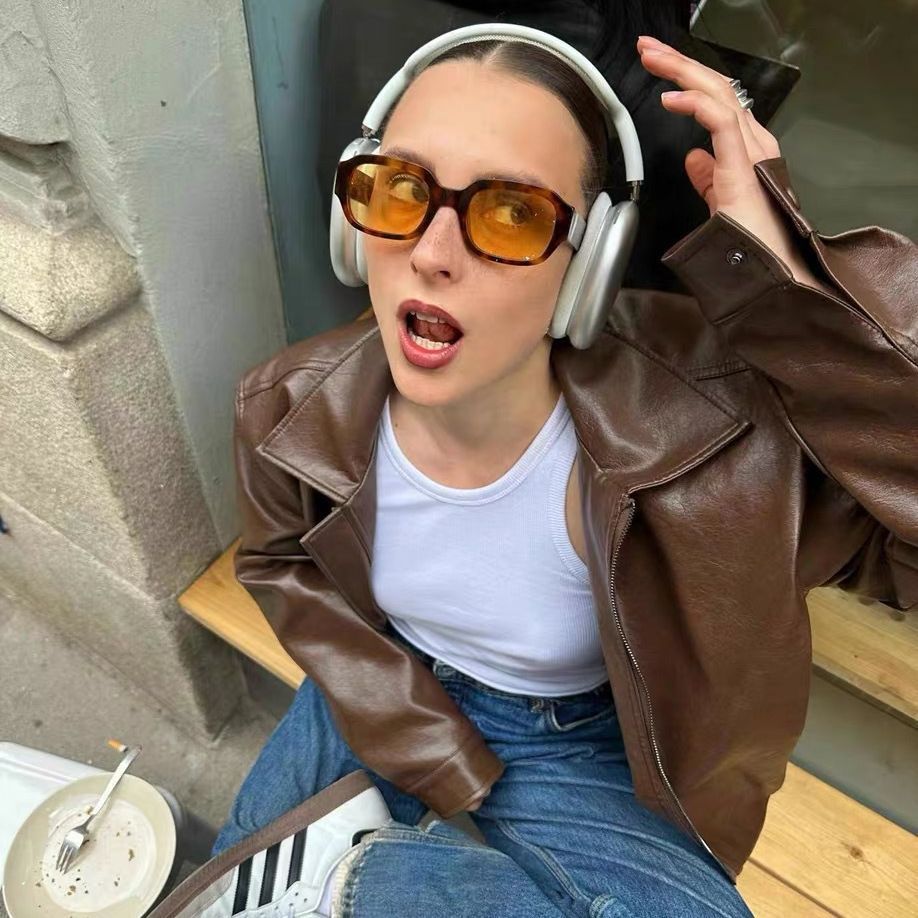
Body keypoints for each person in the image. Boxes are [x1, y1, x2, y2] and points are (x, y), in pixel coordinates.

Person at [153, 18, 917, 918]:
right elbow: (283, 568)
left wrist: (794, 297)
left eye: (510, 213)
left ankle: (356, 888)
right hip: (380, 688)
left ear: (589, 262)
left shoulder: (717, 431)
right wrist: (427, 745)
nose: (431, 254)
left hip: (585, 744)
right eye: (400, 190)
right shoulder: (287, 407)